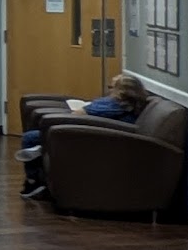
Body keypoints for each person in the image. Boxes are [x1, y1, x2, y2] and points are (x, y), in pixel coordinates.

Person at [18, 73, 148, 198]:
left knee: (30, 138)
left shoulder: (115, 105)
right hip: (96, 136)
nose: (109, 90)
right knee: (37, 137)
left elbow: (79, 113)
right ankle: (41, 154)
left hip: (89, 138)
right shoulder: (130, 105)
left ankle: (33, 182)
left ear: (121, 92)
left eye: (111, 87)